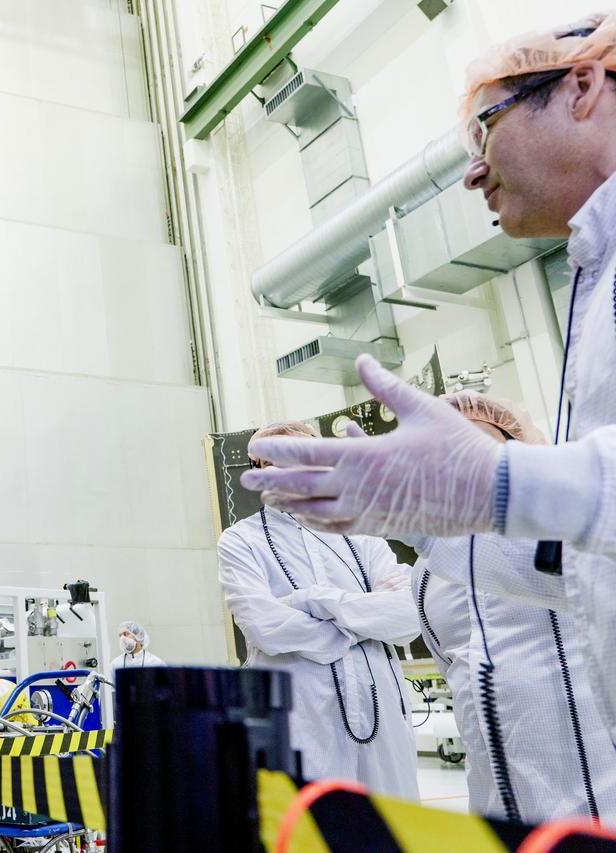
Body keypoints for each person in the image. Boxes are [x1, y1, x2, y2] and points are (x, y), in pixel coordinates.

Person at [240, 13, 616, 740]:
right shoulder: (594, 276)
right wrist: (434, 525)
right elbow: (582, 570)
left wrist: (494, 484)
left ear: (580, 86)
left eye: (486, 130)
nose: (472, 170)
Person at [410, 393, 616, 822]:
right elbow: (450, 662)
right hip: (492, 783)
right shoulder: (425, 568)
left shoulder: (557, 527)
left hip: (590, 772)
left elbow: (579, 583)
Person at [219, 421, 421, 798]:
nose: (271, 472)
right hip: (298, 716)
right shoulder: (240, 540)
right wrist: (363, 624)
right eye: (263, 464)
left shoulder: (360, 534)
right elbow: (264, 626)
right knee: (306, 825)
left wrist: (308, 600)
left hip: (382, 713)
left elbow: (408, 617)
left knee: (390, 824)